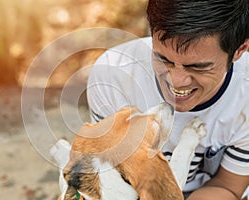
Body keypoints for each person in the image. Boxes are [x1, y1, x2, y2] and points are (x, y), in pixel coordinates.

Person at [86, 0, 249, 199]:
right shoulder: (113, 75)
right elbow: (111, 177)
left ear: (239, 50)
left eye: (197, 67)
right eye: (164, 59)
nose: (177, 81)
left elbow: (227, 186)